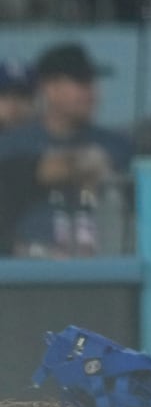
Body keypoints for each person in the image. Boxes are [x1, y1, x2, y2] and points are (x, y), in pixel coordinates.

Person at [0, 43, 133, 257]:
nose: (91, 92)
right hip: (24, 269)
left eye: (93, 82)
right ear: (49, 88)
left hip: (104, 266)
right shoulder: (12, 144)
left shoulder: (118, 144)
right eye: (81, 83)